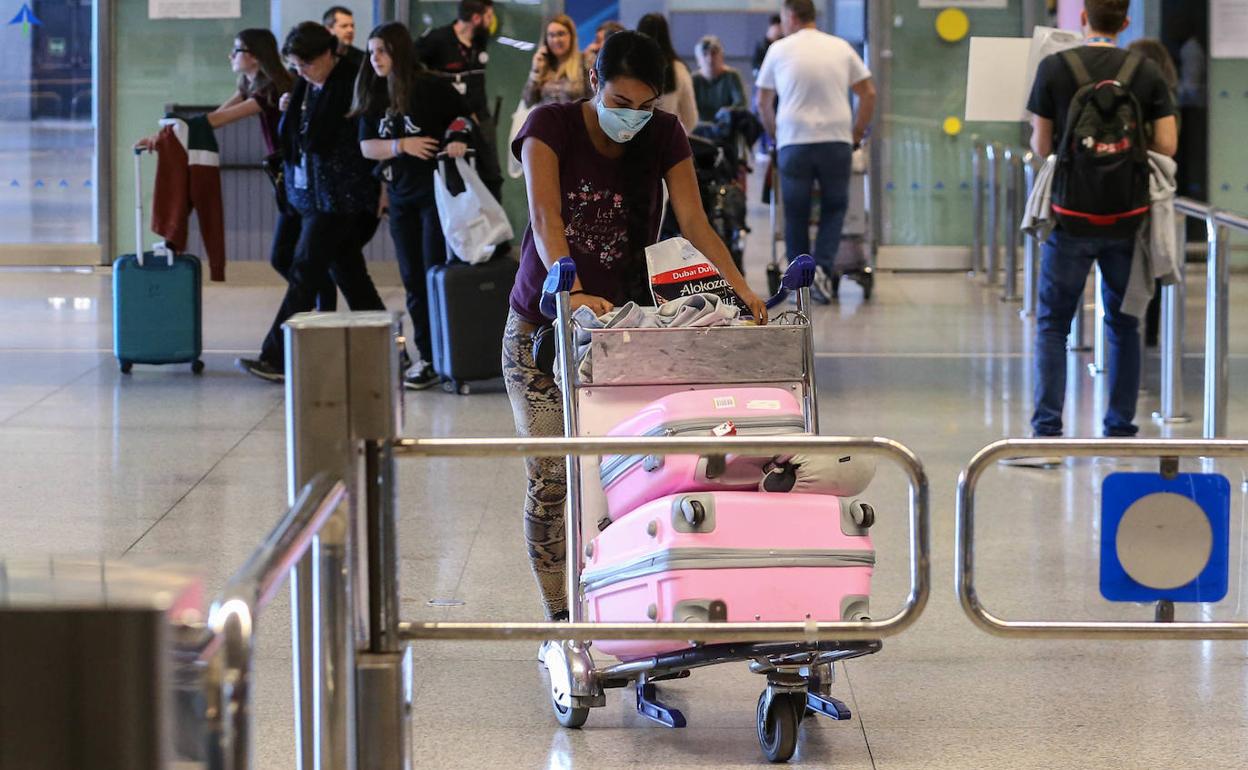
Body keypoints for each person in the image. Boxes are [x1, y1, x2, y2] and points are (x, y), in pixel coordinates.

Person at [504, 30, 767, 622]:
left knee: (635, 475)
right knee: (553, 477)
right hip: (539, 335)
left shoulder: (666, 135)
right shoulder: (550, 126)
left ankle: (632, 598)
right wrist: (568, 292)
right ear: (594, 83)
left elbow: (694, 221)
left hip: (627, 334)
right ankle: (562, 617)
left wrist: (740, 288)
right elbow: (546, 215)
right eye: (622, 105)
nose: (634, 119)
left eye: (646, 107)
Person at [1016, 0, 1176, 450]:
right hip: (1127, 218)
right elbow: (1166, 143)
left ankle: (1047, 428)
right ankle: (1120, 427)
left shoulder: (1053, 67)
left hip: (1070, 216)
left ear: (1083, 19)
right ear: (1125, 22)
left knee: (1053, 323)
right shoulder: (1146, 71)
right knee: (1126, 321)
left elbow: (1043, 142)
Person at [237, 22, 388, 382]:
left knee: (306, 271)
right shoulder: (306, 87)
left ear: (327, 54)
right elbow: (293, 136)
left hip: (341, 199)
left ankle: (276, 357)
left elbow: (358, 137)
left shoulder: (353, 82)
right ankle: (387, 348)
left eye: (307, 63)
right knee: (350, 277)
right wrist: (294, 107)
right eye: (296, 66)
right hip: (308, 196)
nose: (301, 71)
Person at [355, 22, 474, 390]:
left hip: (436, 197)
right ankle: (426, 357)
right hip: (401, 198)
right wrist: (401, 145)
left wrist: (455, 137)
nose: (375, 59)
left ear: (399, 52)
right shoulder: (375, 93)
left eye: (382, 52)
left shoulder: (431, 87)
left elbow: (464, 117)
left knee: (433, 273)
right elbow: (366, 146)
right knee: (411, 280)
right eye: (372, 52)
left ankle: (448, 355)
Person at [757, 0, 875, 304]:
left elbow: (763, 101)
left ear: (791, 17)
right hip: (836, 139)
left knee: (795, 212)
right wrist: (857, 132)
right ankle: (822, 268)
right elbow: (868, 93)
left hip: (794, 140)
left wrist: (774, 136)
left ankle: (802, 281)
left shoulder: (779, 49)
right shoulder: (840, 47)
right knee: (835, 207)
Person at [418, 1, 504, 210]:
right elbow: (409, 63)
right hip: (450, 123)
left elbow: (497, 27)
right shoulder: (437, 39)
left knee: (492, 177)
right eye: (489, 15)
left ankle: (496, 236)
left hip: (480, 120)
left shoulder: (480, 38)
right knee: (456, 178)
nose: (492, 20)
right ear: (476, 18)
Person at [1126, 37, 1179, 349]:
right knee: (1155, 261)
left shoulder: (1138, 102)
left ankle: (1143, 332)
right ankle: (1151, 333)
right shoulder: (1166, 101)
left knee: (1140, 263)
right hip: (1159, 189)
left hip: (1139, 190)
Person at [636, 13, 698, 134]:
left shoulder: (628, 67)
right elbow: (690, 119)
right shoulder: (678, 69)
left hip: (631, 141)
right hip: (666, 140)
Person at [522, 14, 589, 108]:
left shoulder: (584, 61)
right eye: (551, 35)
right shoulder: (543, 64)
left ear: (572, 36)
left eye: (561, 34)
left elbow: (595, 100)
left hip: (574, 121)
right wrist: (536, 71)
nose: (556, 40)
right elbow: (528, 102)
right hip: (546, 121)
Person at [692, 34, 746, 125]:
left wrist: (725, 114)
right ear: (698, 60)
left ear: (722, 56)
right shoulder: (693, 80)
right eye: (705, 54)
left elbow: (741, 105)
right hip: (699, 130)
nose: (710, 59)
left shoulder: (732, 76)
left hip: (726, 128)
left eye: (714, 53)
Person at [323, 5, 365, 73]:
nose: (350, 30)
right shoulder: (319, 57)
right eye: (344, 26)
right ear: (328, 30)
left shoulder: (363, 59)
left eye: (352, 26)